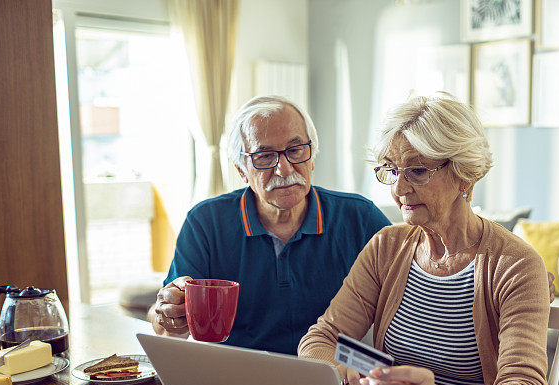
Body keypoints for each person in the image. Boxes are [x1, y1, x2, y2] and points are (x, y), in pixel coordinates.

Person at [298, 94, 551, 385]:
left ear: (464, 174)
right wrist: (335, 372)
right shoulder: (386, 247)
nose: (400, 188)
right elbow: (321, 338)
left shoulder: (515, 265)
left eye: (417, 171)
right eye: (392, 169)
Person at [148, 95, 391, 354]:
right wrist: (168, 316)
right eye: (264, 156)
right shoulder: (206, 222)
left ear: (312, 157)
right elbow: (164, 318)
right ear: (241, 169)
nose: (284, 169)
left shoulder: (360, 217)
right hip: (237, 375)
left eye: (295, 151)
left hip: (331, 374)